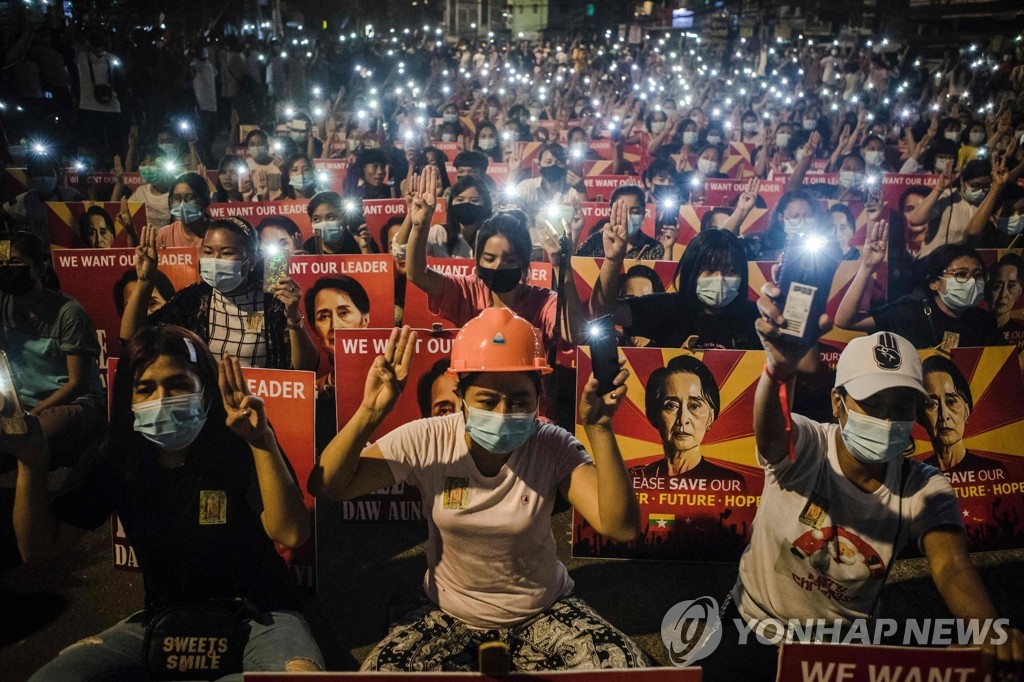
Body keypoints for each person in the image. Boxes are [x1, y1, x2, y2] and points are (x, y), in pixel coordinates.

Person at [309, 311, 649, 671]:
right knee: (381, 673)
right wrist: (369, 412)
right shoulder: (429, 438)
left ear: (539, 397)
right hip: (449, 612)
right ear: (462, 396)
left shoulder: (551, 445)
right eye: (487, 401)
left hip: (541, 610)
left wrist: (599, 429)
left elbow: (620, 527)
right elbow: (330, 485)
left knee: (624, 667)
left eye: (520, 401)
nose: (504, 413)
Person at [716, 309, 1024, 680]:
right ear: (837, 404)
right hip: (753, 626)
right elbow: (771, 431)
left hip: (845, 650)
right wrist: (777, 373)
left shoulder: (923, 485)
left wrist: (988, 628)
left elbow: (951, 564)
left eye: (900, 407)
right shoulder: (810, 446)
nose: (886, 420)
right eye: (872, 404)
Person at [4, 325, 324, 679]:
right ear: (130, 398)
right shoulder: (118, 453)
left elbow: (291, 533)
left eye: (178, 385)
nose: (162, 398)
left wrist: (262, 443)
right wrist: (31, 466)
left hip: (262, 615)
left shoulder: (239, 439)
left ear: (204, 391)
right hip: (165, 617)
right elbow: (38, 548)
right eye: (146, 389)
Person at [120, 218, 318, 371]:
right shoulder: (194, 300)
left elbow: (306, 368)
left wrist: (292, 316)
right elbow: (131, 338)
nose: (215, 260)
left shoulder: (272, 302)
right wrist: (145, 283)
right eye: (208, 251)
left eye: (226, 253)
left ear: (250, 261)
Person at [0, 232, 104, 465]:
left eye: (16, 262)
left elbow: (77, 384)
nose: (7, 269)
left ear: (40, 267)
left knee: (29, 436)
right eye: (2, 262)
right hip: (23, 403)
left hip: (72, 404)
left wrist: (34, 412)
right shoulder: (3, 303)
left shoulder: (68, 313)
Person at [589, 225, 760, 350]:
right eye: (709, 270)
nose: (720, 279)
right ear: (691, 271)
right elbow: (604, 309)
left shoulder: (755, 318)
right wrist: (612, 261)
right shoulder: (667, 308)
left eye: (731, 271)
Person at [835, 227, 1003, 349]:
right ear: (934, 282)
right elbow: (845, 320)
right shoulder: (909, 312)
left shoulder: (984, 322)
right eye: (961, 274)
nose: (971, 282)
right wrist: (867, 267)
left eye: (978, 275)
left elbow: (1004, 367)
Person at [635, 354, 746, 481]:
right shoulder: (638, 478)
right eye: (671, 405)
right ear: (653, 416)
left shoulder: (728, 482)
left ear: (710, 417)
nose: (682, 420)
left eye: (694, 406)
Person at [919, 354, 1007, 474]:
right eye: (931, 404)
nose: (944, 415)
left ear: (966, 410)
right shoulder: (915, 475)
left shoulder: (992, 471)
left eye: (951, 402)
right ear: (921, 416)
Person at [576, 186, 663, 260]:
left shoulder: (654, 247)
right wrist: (574, 234)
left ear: (644, 214)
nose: (627, 217)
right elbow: (576, 268)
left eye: (635, 212)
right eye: (622, 211)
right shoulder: (596, 241)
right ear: (611, 213)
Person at [303, 191, 377, 255]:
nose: (324, 224)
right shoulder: (308, 248)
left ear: (344, 218)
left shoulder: (361, 240)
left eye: (330, 217)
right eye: (316, 219)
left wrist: (365, 248)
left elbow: (377, 270)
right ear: (311, 223)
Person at [155, 172, 212, 248]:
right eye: (176, 198)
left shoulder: (218, 233)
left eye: (190, 198)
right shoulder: (164, 235)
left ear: (204, 200)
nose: (182, 204)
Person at [985, 253, 1024, 348]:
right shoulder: (971, 330)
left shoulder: (1021, 331)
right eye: (997, 286)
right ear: (986, 291)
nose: (1003, 295)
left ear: (1019, 292)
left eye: (1011, 286)